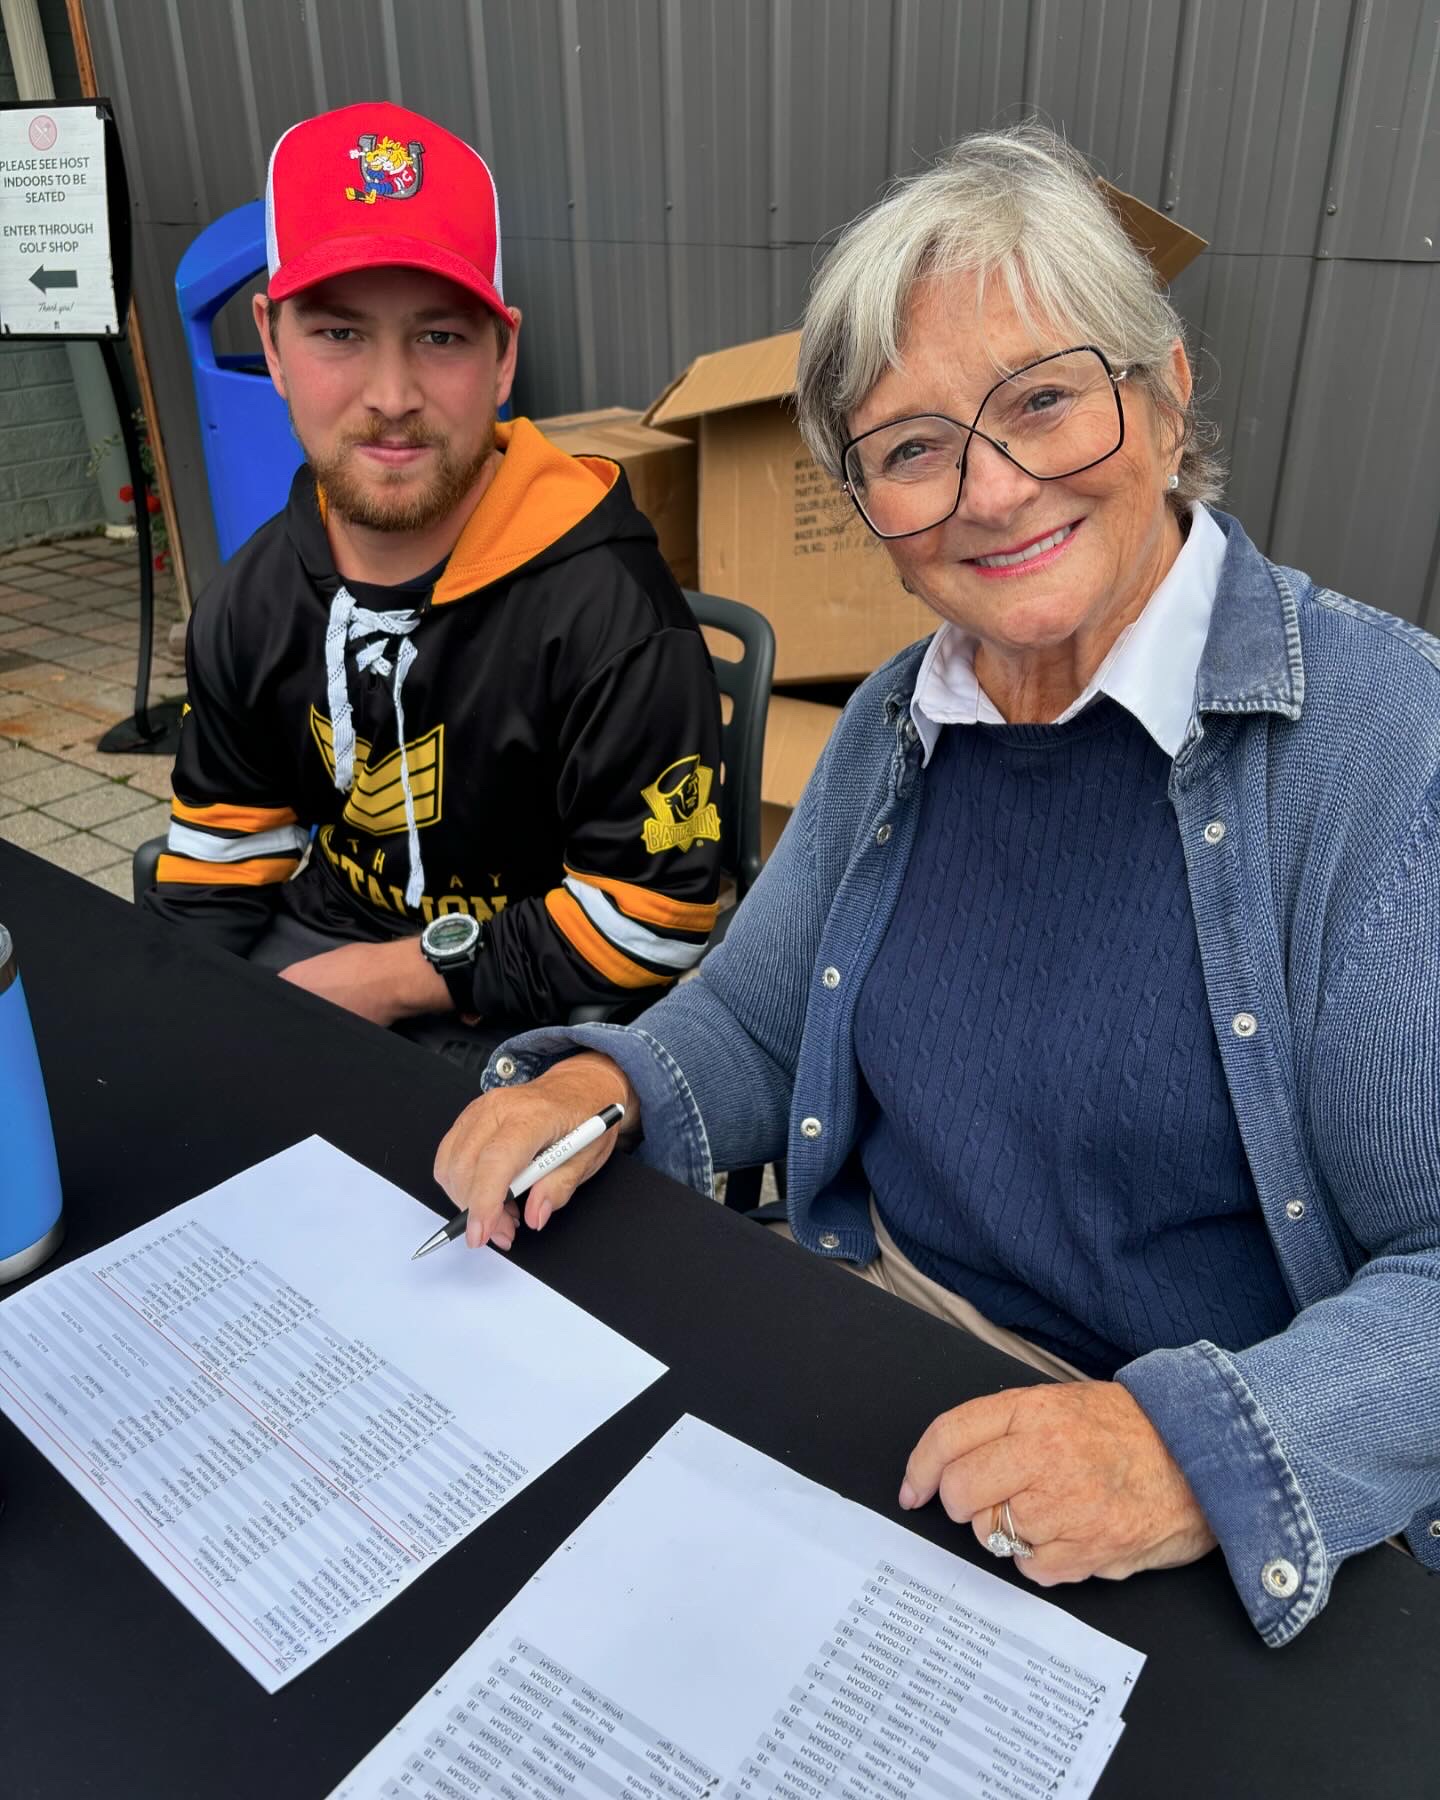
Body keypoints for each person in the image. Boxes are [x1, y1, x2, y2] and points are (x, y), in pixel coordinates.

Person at [432, 124, 1440, 1645]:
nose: (993, 489)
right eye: (912, 448)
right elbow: (757, 1022)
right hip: (887, 1362)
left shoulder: (1387, 751)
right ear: (872, 509)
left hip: (1193, 1490)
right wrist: (604, 1085)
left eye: (1044, 399)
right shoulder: (905, 720)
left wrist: (1196, 1454)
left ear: (1167, 394)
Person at [143, 103, 722, 1062]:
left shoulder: (613, 615)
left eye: (441, 337)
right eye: (339, 333)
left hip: (532, 999)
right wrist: (180, 1042)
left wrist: (385, 981)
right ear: (271, 343)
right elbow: (219, 863)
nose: (392, 396)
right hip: (317, 950)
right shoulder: (251, 600)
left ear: (504, 355)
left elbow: (652, 921)